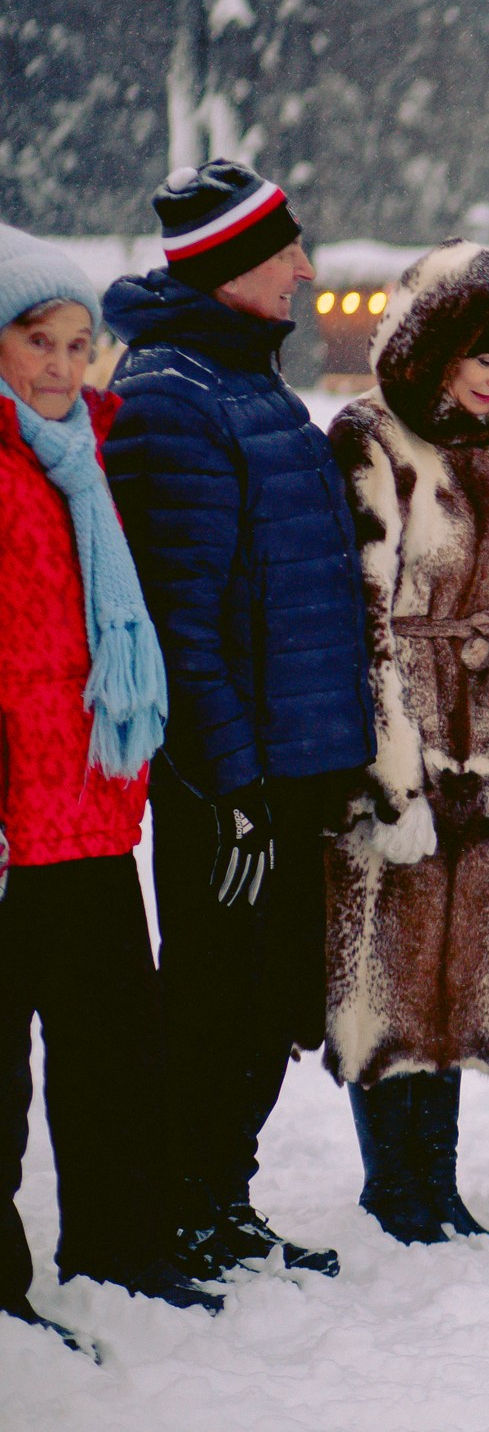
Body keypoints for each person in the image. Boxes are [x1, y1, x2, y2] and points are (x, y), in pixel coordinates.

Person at [104, 160, 370, 1279]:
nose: (304, 268)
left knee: (271, 998)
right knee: (219, 995)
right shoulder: (174, 398)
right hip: (236, 775)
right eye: (283, 250)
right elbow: (182, 617)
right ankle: (183, 1205)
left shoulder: (244, 382)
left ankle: (222, 1195)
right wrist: (229, 782)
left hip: (291, 758)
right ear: (225, 267)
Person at [322, 243, 489, 1243]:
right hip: (411, 721)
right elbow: (361, 615)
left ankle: (438, 1177)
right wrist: (388, 774)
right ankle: (396, 1181)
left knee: (471, 958)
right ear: (434, 346)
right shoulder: (370, 438)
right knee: (395, 959)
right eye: (484, 356)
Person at [0, 228, 216, 1347]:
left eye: (79, 344)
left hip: (87, 808)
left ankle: (122, 1247)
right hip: (9, 822)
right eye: (37, 341)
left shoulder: (81, 458)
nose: (60, 365)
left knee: (116, 1054)